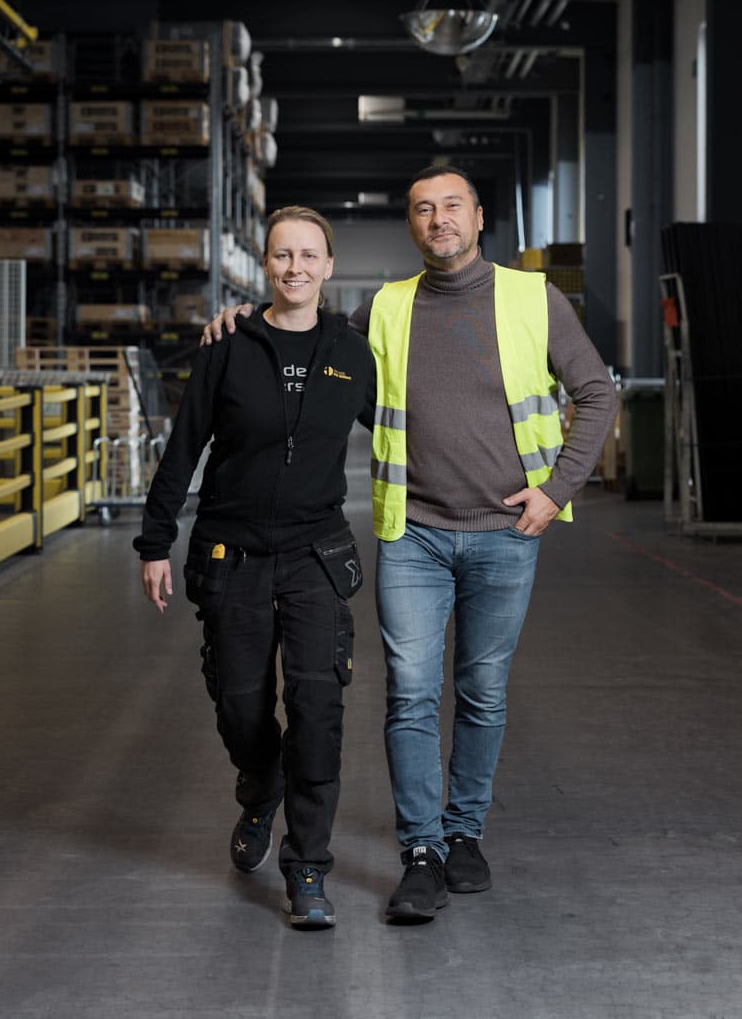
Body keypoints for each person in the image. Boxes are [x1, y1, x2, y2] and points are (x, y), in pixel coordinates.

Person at [203, 165, 620, 923]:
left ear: (479, 215)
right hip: (413, 533)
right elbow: (320, 359)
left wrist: (556, 489)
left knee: (482, 694)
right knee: (411, 696)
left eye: (451, 206)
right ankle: (421, 850)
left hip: (506, 533)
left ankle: (465, 834)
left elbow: (596, 392)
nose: (438, 221)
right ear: (411, 226)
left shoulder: (533, 297)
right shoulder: (386, 308)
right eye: (423, 210)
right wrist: (243, 324)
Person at [135, 206, 376, 929]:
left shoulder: (352, 352)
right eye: (282, 255)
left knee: (317, 710)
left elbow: (408, 429)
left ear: (329, 267)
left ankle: (307, 868)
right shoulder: (228, 344)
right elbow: (184, 449)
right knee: (240, 705)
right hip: (231, 552)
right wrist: (154, 542)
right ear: (265, 265)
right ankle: (259, 783)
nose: (295, 268)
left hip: (314, 555)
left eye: (309, 256)